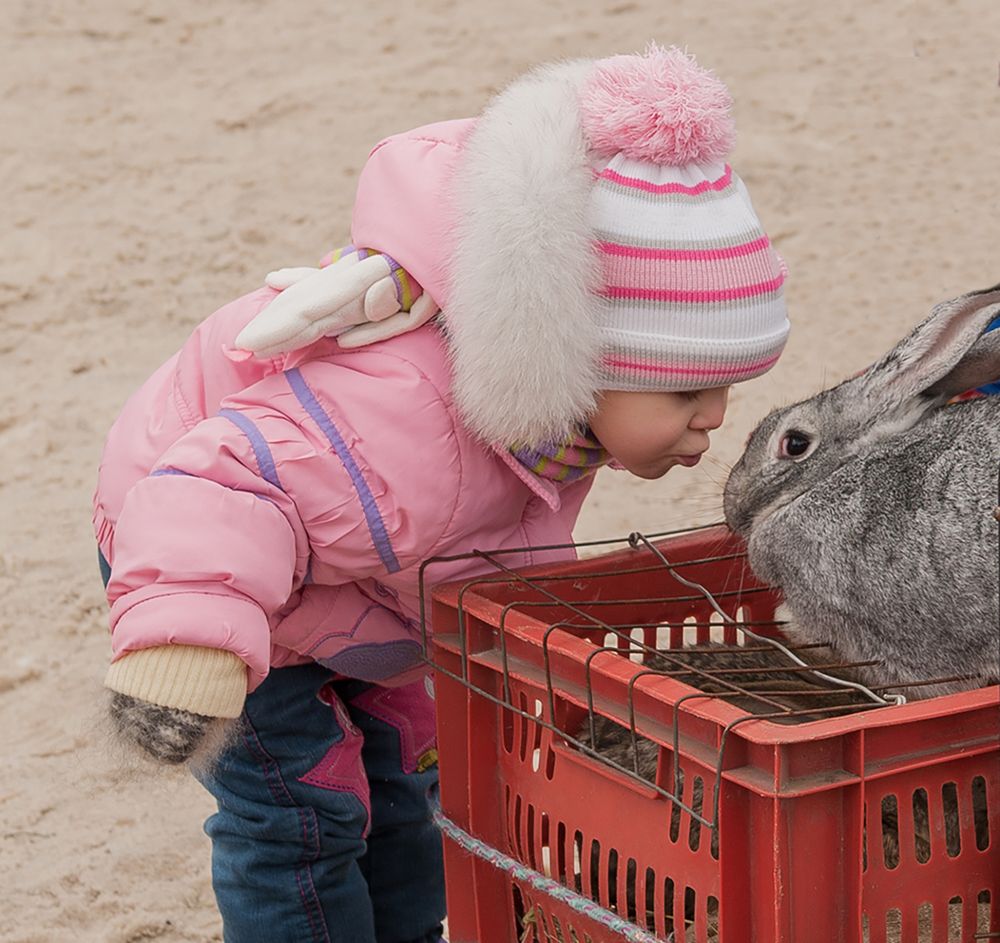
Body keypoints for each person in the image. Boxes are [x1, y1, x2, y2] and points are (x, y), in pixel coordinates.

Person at [93, 45, 789, 943]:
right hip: (205, 565)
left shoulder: (548, 414)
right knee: (301, 814)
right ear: (581, 356)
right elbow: (223, 483)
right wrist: (185, 647)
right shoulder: (406, 420)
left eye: (724, 389)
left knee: (406, 789)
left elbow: (474, 530)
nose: (714, 419)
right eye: (685, 390)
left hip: (349, 585)